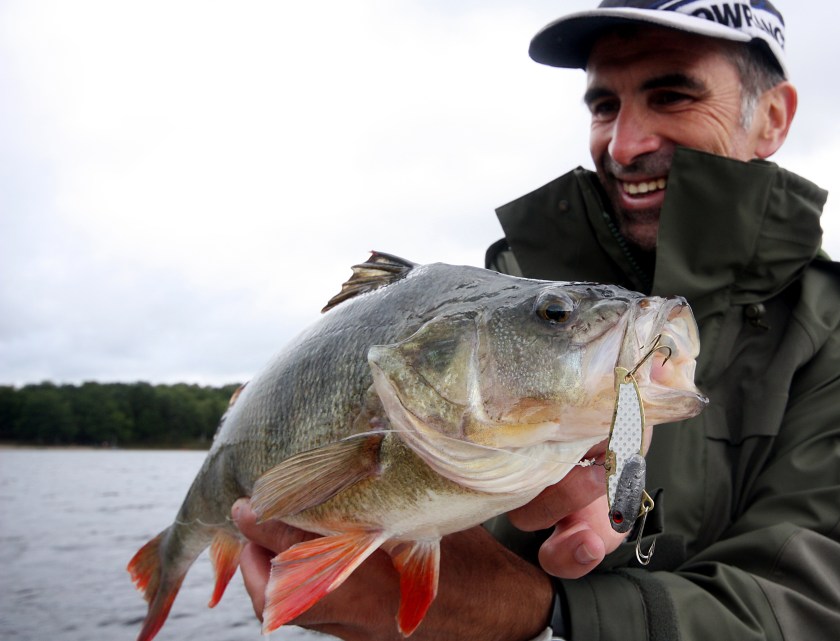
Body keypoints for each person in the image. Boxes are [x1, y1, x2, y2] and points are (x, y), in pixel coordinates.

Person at [232, 1, 840, 639]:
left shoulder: (823, 332)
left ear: (772, 118)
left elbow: (812, 604)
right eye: (604, 106)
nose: (624, 143)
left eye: (672, 96)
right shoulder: (503, 293)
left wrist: (531, 610)